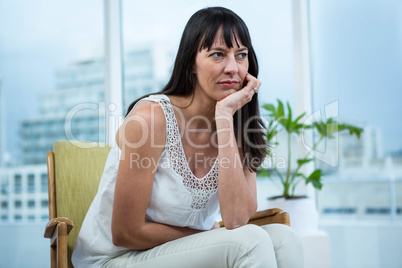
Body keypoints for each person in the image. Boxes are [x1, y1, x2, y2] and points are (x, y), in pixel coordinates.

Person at [72, 6, 303, 268]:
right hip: (116, 259)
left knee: (285, 239)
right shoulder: (151, 119)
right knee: (249, 242)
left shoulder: (237, 126)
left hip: (178, 253)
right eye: (218, 54)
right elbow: (125, 232)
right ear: (191, 63)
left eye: (241, 55)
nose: (232, 68)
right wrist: (208, 235)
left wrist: (225, 119)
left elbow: (237, 219)